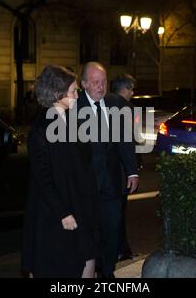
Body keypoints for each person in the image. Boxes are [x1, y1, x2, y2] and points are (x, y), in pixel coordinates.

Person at [21, 65, 99, 278]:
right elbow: (42, 176)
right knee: (55, 266)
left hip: (79, 206)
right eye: (74, 91)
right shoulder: (40, 129)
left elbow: (85, 165)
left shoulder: (74, 121)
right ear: (57, 93)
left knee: (87, 259)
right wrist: (62, 212)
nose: (77, 95)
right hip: (54, 214)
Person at [77, 62, 139, 278]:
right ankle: (91, 270)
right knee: (91, 232)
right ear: (84, 84)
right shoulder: (74, 107)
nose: (101, 87)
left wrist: (132, 171)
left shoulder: (116, 103)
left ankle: (108, 271)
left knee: (112, 231)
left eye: (103, 81)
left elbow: (125, 140)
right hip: (86, 186)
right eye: (95, 82)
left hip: (112, 183)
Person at [111, 73, 139, 261]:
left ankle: (120, 247)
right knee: (119, 213)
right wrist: (133, 169)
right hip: (121, 171)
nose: (133, 92)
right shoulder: (126, 108)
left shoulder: (104, 105)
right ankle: (121, 248)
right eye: (131, 89)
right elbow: (127, 141)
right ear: (125, 89)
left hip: (109, 169)